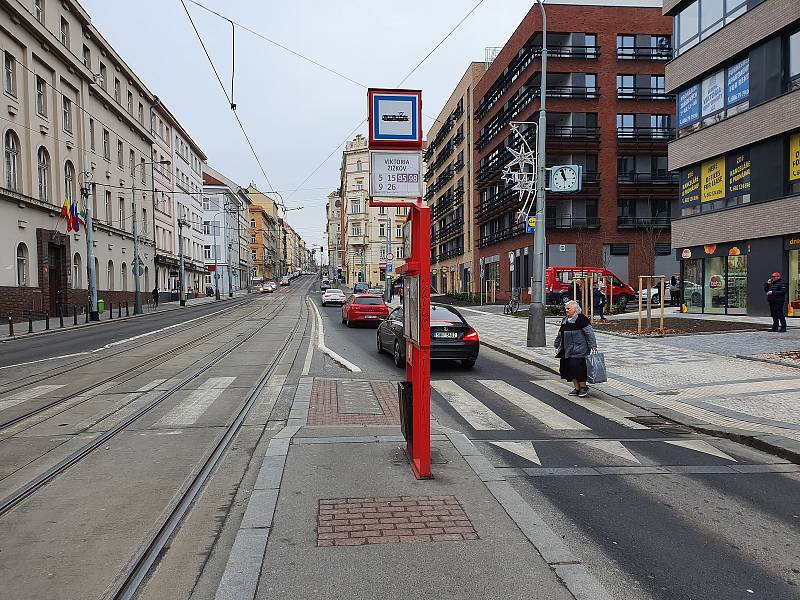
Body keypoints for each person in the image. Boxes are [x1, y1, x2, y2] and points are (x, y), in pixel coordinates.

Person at [555, 300, 598, 397]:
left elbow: (589, 333)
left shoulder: (582, 319)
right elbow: (560, 333)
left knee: (578, 367)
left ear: (575, 309)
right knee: (568, 368)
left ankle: (583, 387)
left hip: (580, 349)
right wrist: (557, 344)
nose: (566, 310)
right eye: (566, 308)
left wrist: (593, 345)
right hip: (567, 349)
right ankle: (577, 388)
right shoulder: (565, 320)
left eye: (568, 308)